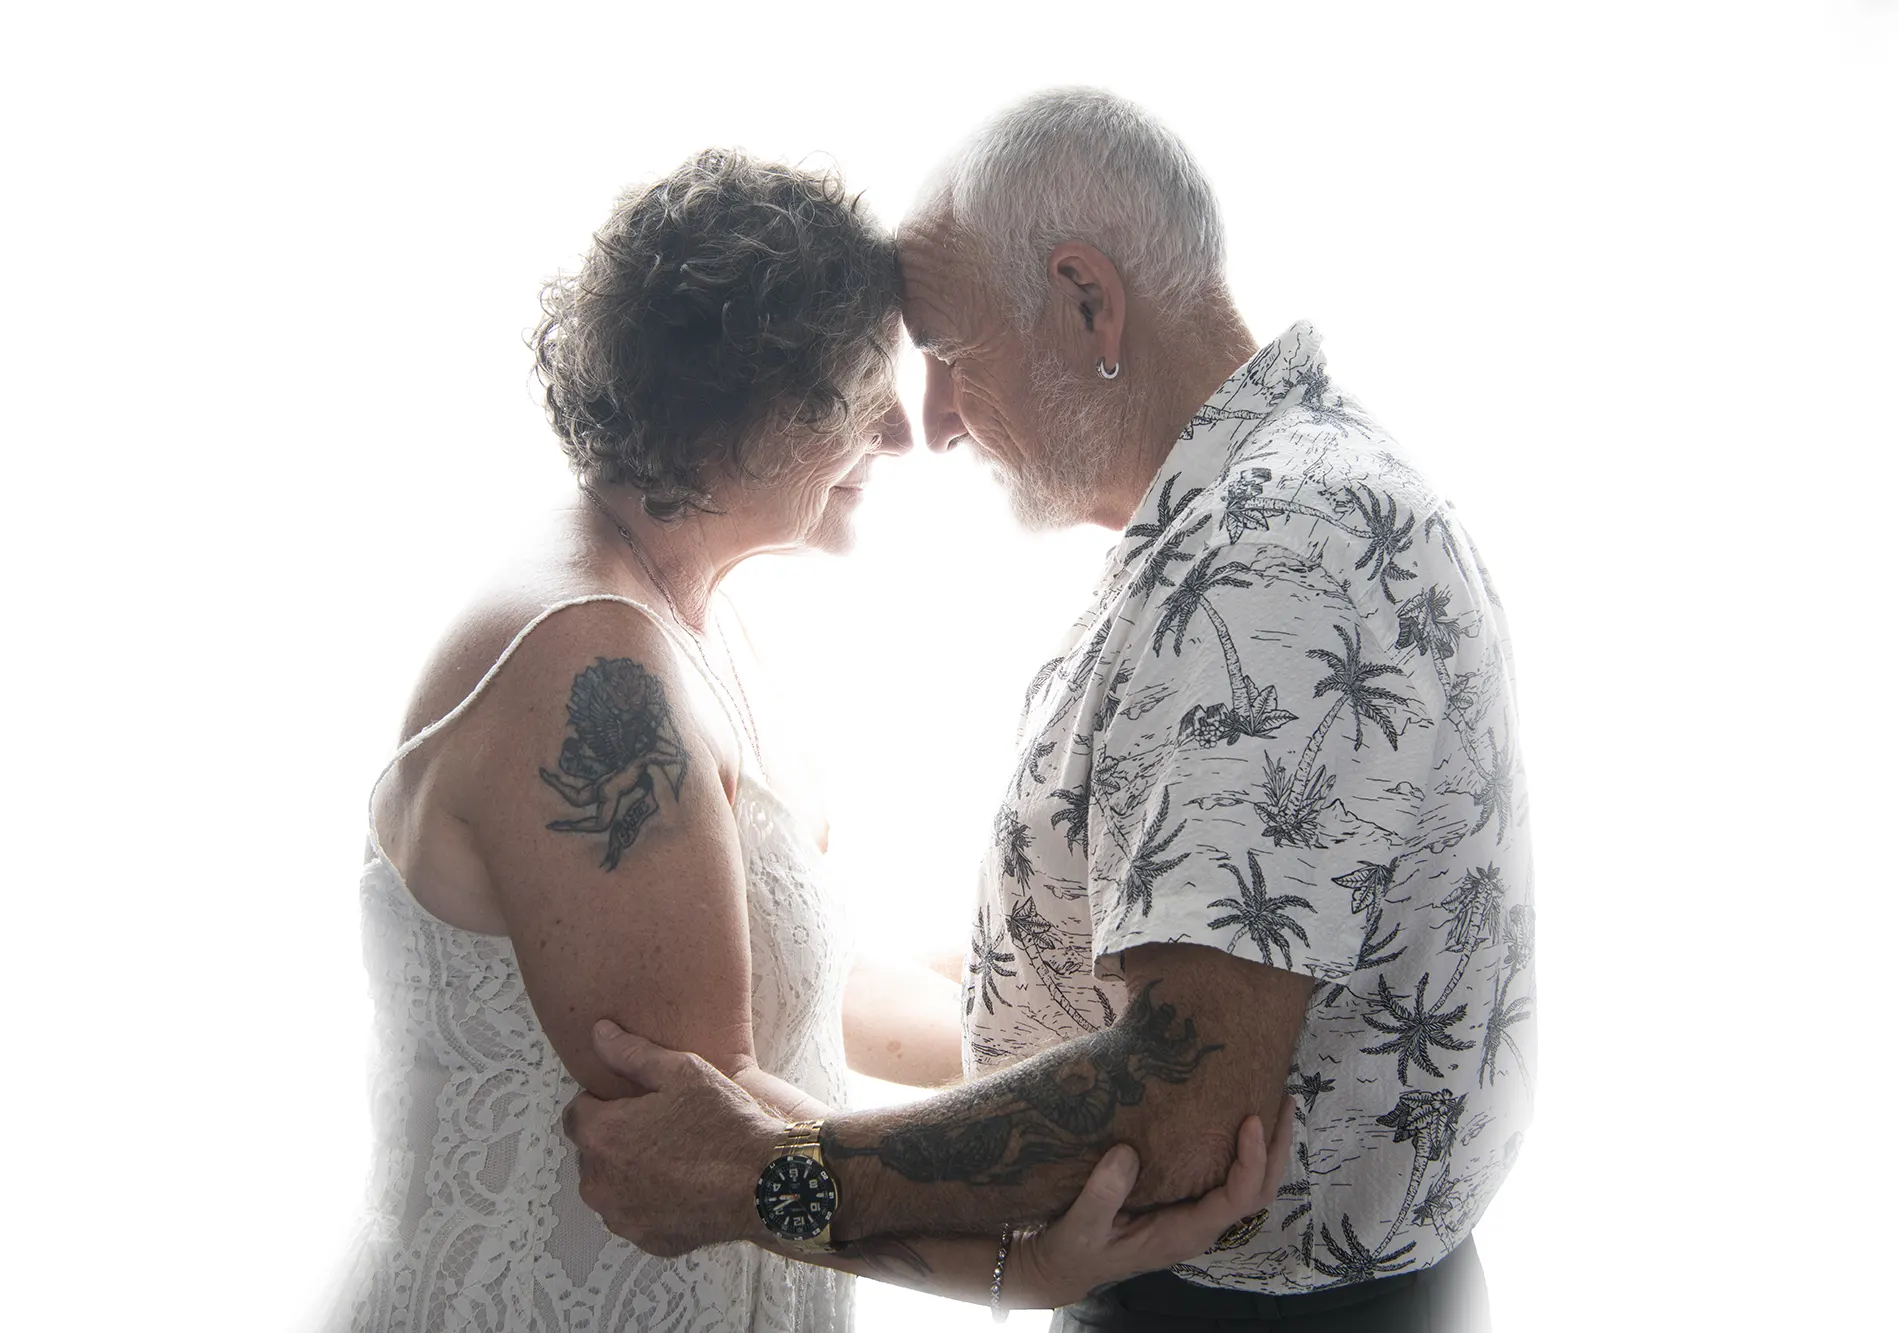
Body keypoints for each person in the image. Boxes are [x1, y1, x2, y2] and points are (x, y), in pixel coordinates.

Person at [565, 89, 1535, 1330]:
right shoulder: (1252, 510)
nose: (936, 422)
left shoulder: (1278, 550)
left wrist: (769, 1180)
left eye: (952, 359)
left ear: (1088, 301)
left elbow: (1184, 1114)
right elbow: (1109, 971)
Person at [323, 146, 1286, 1333]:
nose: (898, 430)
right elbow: (697, 1146)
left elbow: (809, 984)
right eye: (858, 387)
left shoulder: (689, 615)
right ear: (749, 410)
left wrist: (1103, 1058)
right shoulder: (591, 674)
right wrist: (1019, 1267)